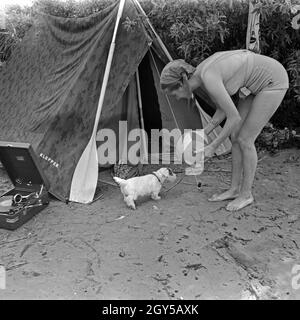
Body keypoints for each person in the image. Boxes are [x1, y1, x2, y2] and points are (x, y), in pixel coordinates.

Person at [160, 50, 289, 211]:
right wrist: (202, 134)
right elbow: (222, 111)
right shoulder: (202, 75)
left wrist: (213, 146)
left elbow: (234, 117)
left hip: (273, 80)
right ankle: (234, 189)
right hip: (249, 86)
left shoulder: (209, 77)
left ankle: (246, 194)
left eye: (173, 93)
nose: (176, 97)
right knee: (234, 136)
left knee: (245, 140)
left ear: (183, 82)